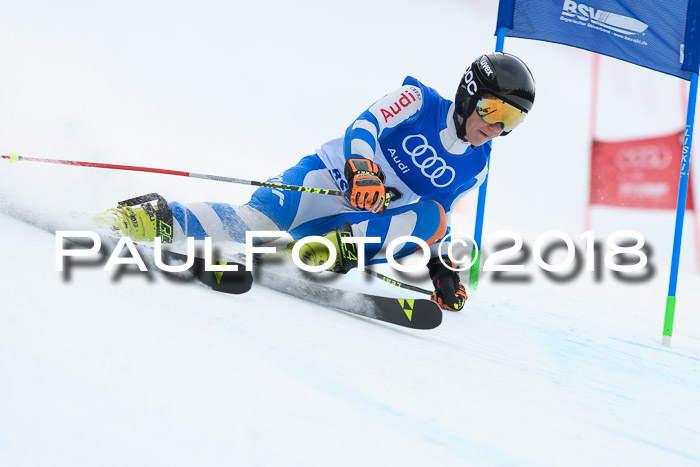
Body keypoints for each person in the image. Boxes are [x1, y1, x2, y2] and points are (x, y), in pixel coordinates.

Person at [105, 52, 536, 312]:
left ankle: (310, 254)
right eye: (493, 109)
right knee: (250, 222)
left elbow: (437, 221)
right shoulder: (419, 101)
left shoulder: (476, 165)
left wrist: (441, 269)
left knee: (435, 218)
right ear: (468, 93)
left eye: (512, 119)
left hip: (358, 227)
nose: (496, 126)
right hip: (322, 183)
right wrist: (362, 169)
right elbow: (364, 126)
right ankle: (147, 219)